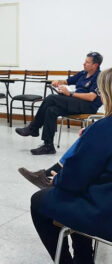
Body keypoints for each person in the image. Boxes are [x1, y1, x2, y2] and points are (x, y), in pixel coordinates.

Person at [30, 68, 112, 263]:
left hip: (106, 211)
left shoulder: (103, 128)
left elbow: (75, 178)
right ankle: (84, 256)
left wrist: (57, 180)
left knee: (40, 201)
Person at [15, 52, 103, 155]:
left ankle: (33, 128)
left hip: (88, 106)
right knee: (51, 110)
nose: (84, 64)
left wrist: (70, 94)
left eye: (87, 62)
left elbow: (92, 97)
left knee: (51, 98)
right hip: (76, 103)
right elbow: (66, 81)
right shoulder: (83, 73)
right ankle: (48, 146)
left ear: (95, 65)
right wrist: (58, 81)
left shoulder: (99, 77)